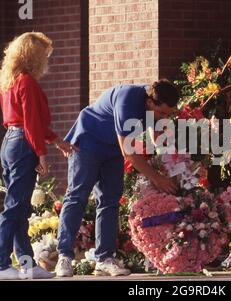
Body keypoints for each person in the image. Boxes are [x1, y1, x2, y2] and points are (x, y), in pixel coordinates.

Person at [55, 80, 179, 277]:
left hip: (112, 149)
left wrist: (173, 167)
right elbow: (128, 152)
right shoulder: (127, 99)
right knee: (77, 197)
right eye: (162, 113)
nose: (164, 117)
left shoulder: (156, 104)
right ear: (150, 103)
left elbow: (158, 138)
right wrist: (157, 178)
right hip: (87, 143)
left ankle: (104, 259)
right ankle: (64, 257)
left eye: (168, 114)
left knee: (110, 200)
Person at [0, 32, 76, 280]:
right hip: (22, 144)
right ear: (34, 56)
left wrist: (57, 140)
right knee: (14, 207)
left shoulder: (10, 81)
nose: (46, 60)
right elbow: (31, 123)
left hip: (10, 141)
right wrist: (41, 154)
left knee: (19, 207)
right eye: (44, 55)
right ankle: (1, 265)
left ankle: (27, 265)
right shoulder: (27, 82)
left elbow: (30, 122)